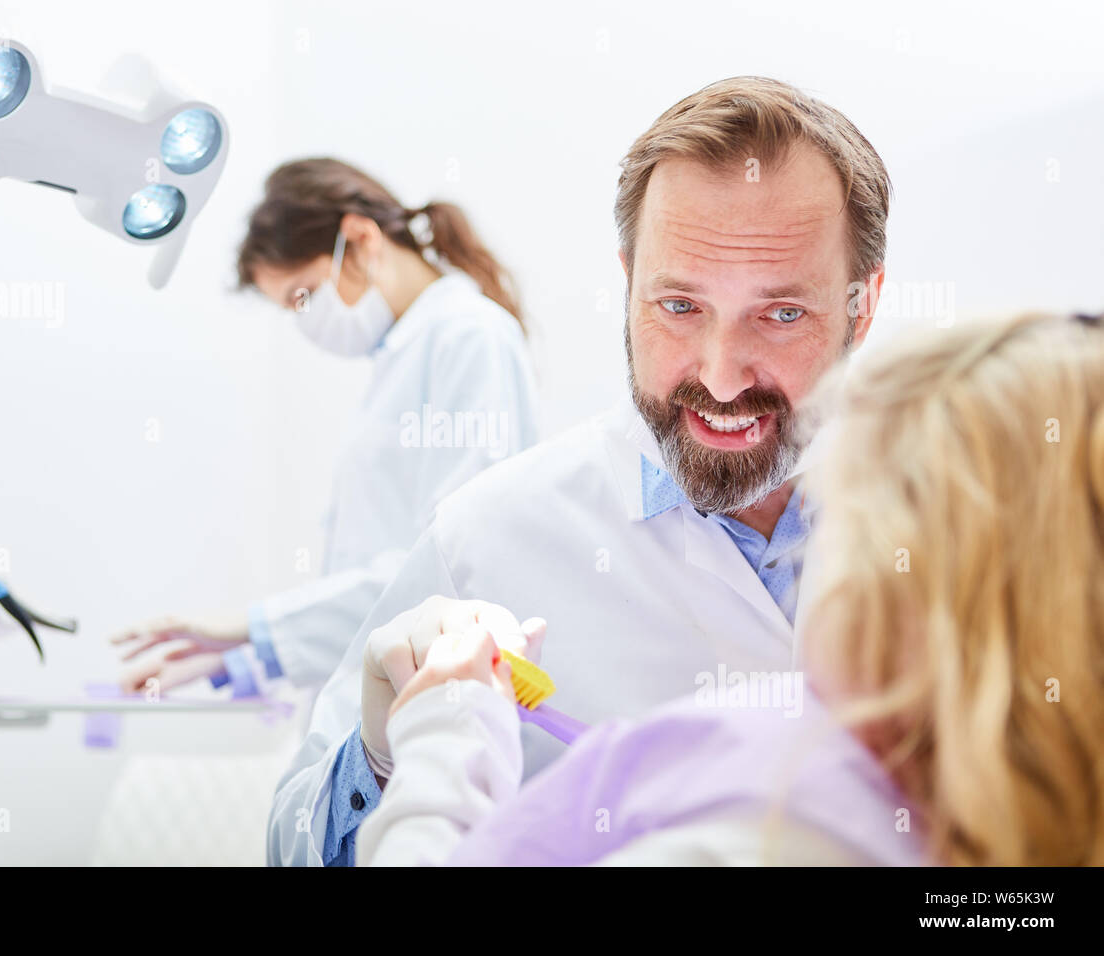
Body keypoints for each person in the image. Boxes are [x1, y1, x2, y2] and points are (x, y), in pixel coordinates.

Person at [268, 76, 892, 866]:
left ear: (862, 307)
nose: (724, 375)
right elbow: (292, 844)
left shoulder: (965, 530)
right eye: (680, 306)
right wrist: (379, 755)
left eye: (782, 313)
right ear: (629, 280)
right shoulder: (485, 540)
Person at [356, 311, 1104, 866]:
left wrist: (445, 747)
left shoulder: (783, 838)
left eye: (840, 510)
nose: (722, 377)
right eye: (679, 305)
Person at [111, 159, 539, 695]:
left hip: (433, 703)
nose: (306, 322)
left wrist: (259, 628)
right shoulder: (404, 357)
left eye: (303, 295)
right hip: (390, 693)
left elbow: (452, 566)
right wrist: (240, 659)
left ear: (359, 239)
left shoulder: (469, 338)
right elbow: (384, 568)